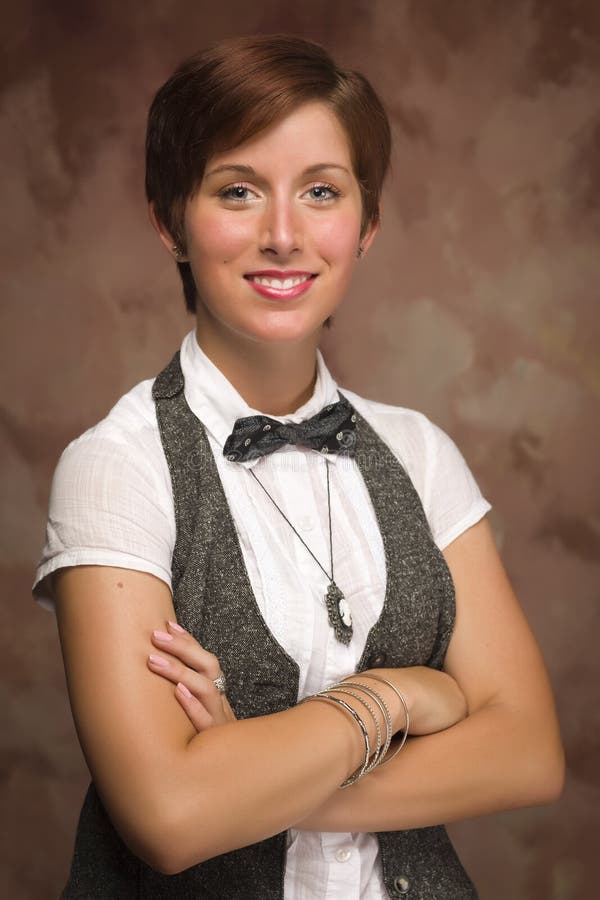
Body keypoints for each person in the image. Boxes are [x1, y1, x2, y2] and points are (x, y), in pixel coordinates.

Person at [33, 34, 564, 899]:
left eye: (322, 191)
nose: (284, 236)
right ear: (170, 220)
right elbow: (170, 819)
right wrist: (400, 700)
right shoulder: (114, 467)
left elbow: (529, 756)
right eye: (237, 191)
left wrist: (247, 767)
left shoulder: (420, 452)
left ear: (368, 225)